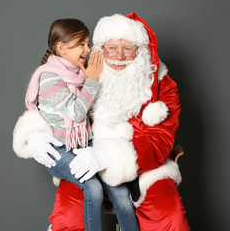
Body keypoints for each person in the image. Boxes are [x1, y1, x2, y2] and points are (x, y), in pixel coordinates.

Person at [13, 12, 191, 231]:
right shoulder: (84, 70)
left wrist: (105, 156)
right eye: (112, 48)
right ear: (101, 49)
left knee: (170, 217)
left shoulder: (162, 85)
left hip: (143, 169)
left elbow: (159, 141)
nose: (119, 56)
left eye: (128, 48)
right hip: (82, 159)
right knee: (68, 219)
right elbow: (51, 103)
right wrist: (35, 134)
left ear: (141, 51)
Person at [14, 18, 140, 231]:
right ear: (61, 48)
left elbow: (92, 112)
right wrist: (92, 80)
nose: (87, 49)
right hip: (59, 150)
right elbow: (76, 112)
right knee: (92, 187)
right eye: (81, 43)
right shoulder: (48, 78)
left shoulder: (78, 72)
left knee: (119, 189)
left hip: (84, 144)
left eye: (88, 43)